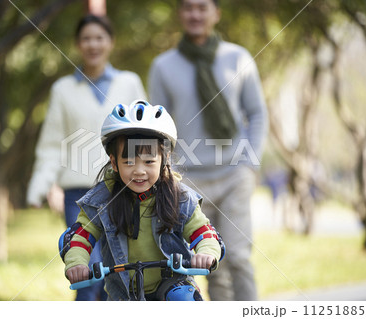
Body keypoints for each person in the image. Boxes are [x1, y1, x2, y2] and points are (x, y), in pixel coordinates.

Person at [148, 0, 268, 300]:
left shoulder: (238, 58)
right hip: (188, 182)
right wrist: (166, 174)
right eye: (188, 8)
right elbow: (157, 125)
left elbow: (257, 113)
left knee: (239, 258)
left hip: (233, 174)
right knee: (205, 262)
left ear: (216, 13)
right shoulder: (163, 66)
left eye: (202, 7)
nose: (195, 14)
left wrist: (250, 164)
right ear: (179, 14)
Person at [27, 14, 146, 301]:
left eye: (99, 38)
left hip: (122, 190)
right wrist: (39, 186)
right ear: (78, 44)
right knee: (88, 270)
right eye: (86, 38)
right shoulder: (62, 90)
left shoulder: (129, 83)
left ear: (110, 42)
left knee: (116, 271)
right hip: (79, 194)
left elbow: (145, 137)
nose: (93, 44)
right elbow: (52, 143)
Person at [63, 100, 223, 301]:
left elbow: (204, 232)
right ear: (114, 162)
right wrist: (76, 263)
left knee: (184, 299)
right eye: (129, 161)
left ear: (164, 159)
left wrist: (206, 252)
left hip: (173, 284)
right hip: (123, 291)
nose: (139, 171)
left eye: (149, 161)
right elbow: (80, 236)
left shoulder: (180, 197)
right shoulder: (102, 200)